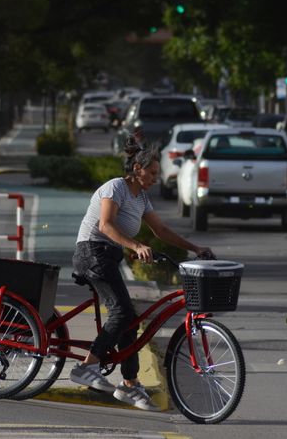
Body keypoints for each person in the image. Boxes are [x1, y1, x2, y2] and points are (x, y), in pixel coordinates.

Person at [69, 137, 213, 411]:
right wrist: (135, 244)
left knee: (131, 320)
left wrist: (195, 248)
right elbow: (106, 225)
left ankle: (130, 384)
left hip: (108, 256)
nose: (157, 178)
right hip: (91, 252)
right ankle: (86, 367)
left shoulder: (142, 198)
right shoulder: (116, 187)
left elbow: (162, 231)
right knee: (122, 312)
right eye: (153, 173)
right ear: (137, 168)